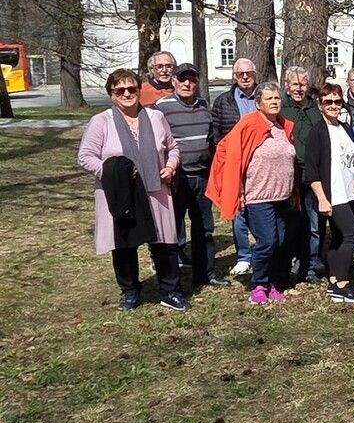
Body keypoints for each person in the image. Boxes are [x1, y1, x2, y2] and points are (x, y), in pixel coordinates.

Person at [78, 68, 187, 312]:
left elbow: (173, 147)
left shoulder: (155, 117)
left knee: (165, 242)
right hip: (121, 194)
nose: (127, 93)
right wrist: (115, 175)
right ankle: (130, 291)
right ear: (111, 94)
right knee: (125, 244)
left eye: (132, 89)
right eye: (120, 90)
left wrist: (170, 166)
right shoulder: (102, 121)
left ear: (139, 90)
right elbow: (86, 156)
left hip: (156, 189)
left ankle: (170, 291)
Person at [207, 82, 296, 304]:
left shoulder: (283, 126)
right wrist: (238, 190)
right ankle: (258, 284)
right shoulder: (248, 125)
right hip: (258, 196)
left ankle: (274, 282)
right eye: (269, 99)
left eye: (277, 98)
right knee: (267, 241)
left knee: (281, 242)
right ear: (258, 104)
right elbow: (229, 152)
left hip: (282, 196)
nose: (275, 102)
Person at [155, 62, 227, 289]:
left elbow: (211, 139)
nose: (187, 84)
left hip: (202, 177)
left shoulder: (204, 105)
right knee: (172, 230)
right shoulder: (161, 108)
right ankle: (171, 279)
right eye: (182, 79)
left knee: (204, 229)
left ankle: (205, 274)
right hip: (176, 179)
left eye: (192, 79)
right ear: (173, 81)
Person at [304, 83, 354, 303]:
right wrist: (322, 198)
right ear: (320, 105)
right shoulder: (317, 132)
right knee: (351, 234)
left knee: (340, 238)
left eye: (337, 101)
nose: (333, 105)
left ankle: (333, 281)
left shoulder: (344, 128)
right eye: (328, 102)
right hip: (333, 195)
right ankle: (342, 283)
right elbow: (311, 171)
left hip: (349, 192)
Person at [209, 57, 259, 276]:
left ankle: (262, 251)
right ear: (235, 76)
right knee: (238, 210)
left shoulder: (265, 95)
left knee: (262, 209)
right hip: (234, 163)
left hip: (261, 162)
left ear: (255, 74)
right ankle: (243, 256)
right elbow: (216, 133)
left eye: (248, 73)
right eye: (240, 74)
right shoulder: (223, 101)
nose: (245, 77)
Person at [280, 66, 323, 285]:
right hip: (290, 174)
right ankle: (285, 269)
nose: (299, 88)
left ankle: (310, 268)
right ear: (287, 86)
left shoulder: (316, 108)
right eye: (295, 84)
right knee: (290, 224)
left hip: (313, 173)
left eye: (302, 84)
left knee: (313, 225)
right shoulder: (280, 108)